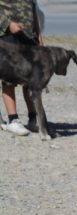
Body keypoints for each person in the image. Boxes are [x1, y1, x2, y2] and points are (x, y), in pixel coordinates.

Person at [0, 0, 42, 136]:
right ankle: (13, 120)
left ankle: (33, 119)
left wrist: (39, 37)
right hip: (7, 36)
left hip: (29, 37)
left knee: (31, 80)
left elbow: (34, 10)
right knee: (9, 80)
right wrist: (8, 24)